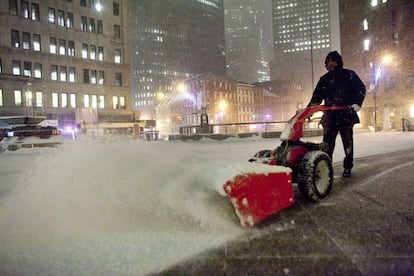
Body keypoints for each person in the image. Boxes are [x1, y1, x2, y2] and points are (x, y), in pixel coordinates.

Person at [307, 51, 366, 177]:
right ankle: (327, 167)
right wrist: (308, 111)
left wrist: (356, 103)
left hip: (345, 115)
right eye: (328, 62)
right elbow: (316, 97)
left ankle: (348, 167)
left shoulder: (349, 75)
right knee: (327, 145)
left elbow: (360, 89)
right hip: (330, 117)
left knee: (347, 143)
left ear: (338, 62)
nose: (330, 63)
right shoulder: (324, 79)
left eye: (333, 61)